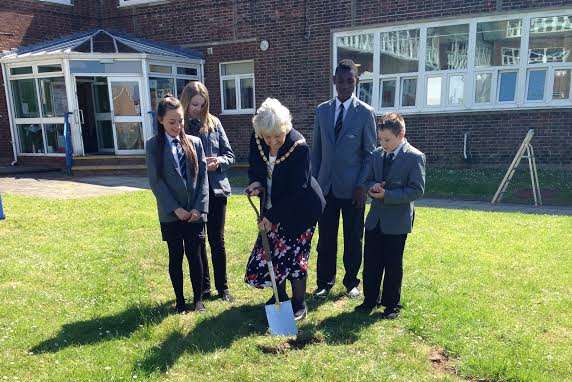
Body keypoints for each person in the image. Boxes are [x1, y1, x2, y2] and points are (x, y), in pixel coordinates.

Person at [244, 98, 325, 320]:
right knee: (270, 253)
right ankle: (280, 298)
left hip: (301, 210)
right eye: (267, 137)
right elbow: (256, 167)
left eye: (276, 136)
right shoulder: (259, 138)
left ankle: (299, 303)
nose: (272, 142)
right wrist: (256, 183)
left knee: (295, 257)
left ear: (285, 127)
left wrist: (272, 216)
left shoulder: (299, 147)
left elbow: (297, 190)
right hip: (271, 205)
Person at [311, 59, 377, 299]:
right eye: (341, 81)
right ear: (334, 81)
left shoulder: (365, 113)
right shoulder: (322, 111)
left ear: (356, 82)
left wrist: (362, 185)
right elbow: (316, 151)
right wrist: (313, 183)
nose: (345, 86)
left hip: (353, 190)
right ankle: (324, 282)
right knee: (325, 239)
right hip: (325, 187)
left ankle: (351, 282)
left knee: (352, 238)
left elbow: (370, 154)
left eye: (350, 81)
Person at [355, 112, 426, 319]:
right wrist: (372, 187)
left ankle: (391, 304)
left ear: (401, 134)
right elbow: (366, 180)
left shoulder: (415, 157)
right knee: (371, 261)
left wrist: (389, 195)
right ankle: (370, 300)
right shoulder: (376, 154)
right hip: (375, 220)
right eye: (381, 139)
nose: (383, 144)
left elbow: (417, 190)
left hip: (397, 221)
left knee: (393, 263)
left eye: (387, 140)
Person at [145, 94, 209, 314]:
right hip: (171, 214)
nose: (177, 126)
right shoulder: (153, 146)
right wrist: (176, 209)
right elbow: (156, 182)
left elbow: (202, 179)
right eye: (172, 122)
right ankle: (180, 301)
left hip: (193, 213)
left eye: (180, 120)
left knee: (195, 254)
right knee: (176, 255)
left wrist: (198, 208)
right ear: (161, 120)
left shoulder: (195, 143)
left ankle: (198, 299)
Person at [181, 81, 235, 303]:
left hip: (216, 190)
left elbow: (230, 156)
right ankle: (204, 288)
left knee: (217, 240)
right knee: (198, 240)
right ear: (186, 102)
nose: (198, 109)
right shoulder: (180, 126)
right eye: (194, 105)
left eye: (202, 105)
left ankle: (223, 289)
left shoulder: (214, 123)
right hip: (193, 193)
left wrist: (218, 162)